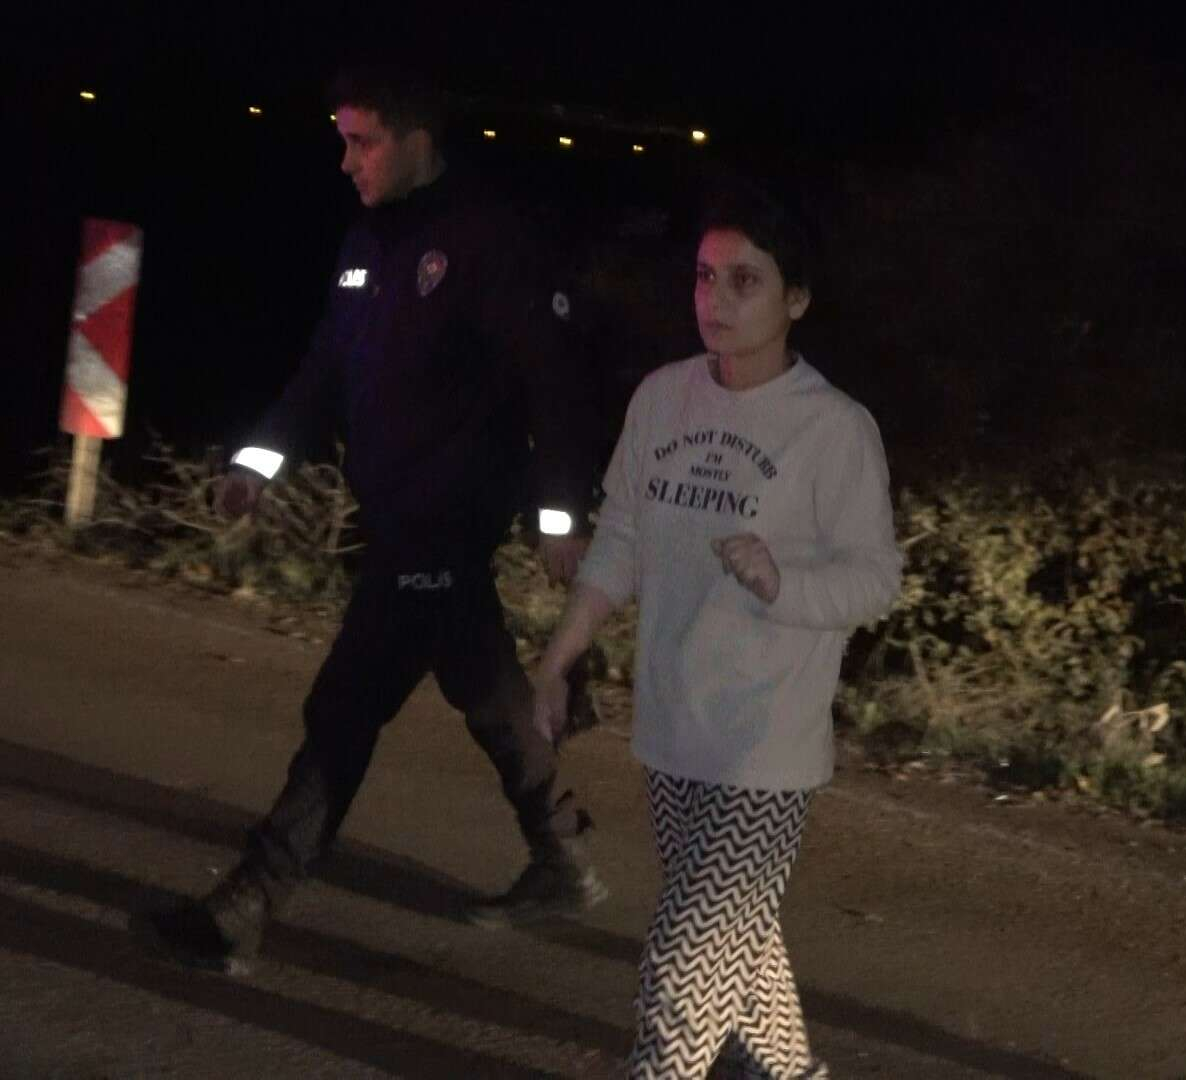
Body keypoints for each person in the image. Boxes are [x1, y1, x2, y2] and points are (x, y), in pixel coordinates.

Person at [133, 65, 606, 975]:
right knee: (488, 693)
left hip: (447, 519)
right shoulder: (367, 243)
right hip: (395, 518)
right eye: (342, 141)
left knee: (344, 707)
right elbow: (323, 373)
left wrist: (559, 515)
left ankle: (246, 905)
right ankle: (563, 856)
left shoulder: (488, 240)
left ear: (416, 139)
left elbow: (554, 385)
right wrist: (256, 465)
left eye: (363, 141)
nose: (346, 161)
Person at [532, 184, 901, 1079]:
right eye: (705, 277)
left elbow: (875, 580)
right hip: (673, 726)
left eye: (745, 281)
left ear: (796, 299)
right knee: (741, 950)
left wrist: (783, 581)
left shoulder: (834, 428)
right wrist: (559, 655)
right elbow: (622, 536)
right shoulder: (663, 398)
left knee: (682, 972)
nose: (716, 299)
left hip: (763, 748)